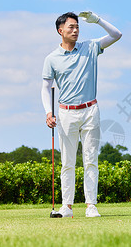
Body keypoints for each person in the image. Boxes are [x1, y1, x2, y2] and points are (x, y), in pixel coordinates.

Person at [41, 11, 122, 218]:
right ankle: (66, 207)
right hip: (65, 113)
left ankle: (90, 206)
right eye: (71, 27)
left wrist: (97, 20)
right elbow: (46, 87)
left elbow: (116, 35)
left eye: (77, 27)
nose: (76, 30)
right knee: (67, 162)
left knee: (90, 160)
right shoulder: (51, 58)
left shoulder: (90, 47)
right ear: (60, 31)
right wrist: (48, 112)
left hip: (90, 110)